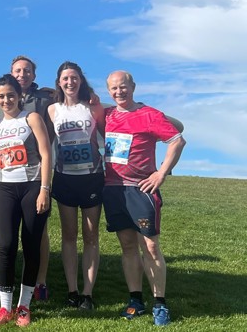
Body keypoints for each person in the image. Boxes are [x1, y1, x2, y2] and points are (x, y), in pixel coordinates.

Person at [103, 70, 185, 327]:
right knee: (128, 246)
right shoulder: (107, 115)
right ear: (108, 91)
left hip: (141, 189)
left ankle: (160, 303)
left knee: (150, 246)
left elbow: (177, 140)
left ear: (133, 87)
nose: (119, 92)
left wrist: (161, 173)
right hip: (113, 189)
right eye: (114, 88)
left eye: (123, 86)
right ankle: (135, 300)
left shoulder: (149, 114)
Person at [0, 74, 52, 328]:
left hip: (32, 187)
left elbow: (46, 153)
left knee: (31, 244)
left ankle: (24, 306)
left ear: (19, 95)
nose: (6, 100)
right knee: (6, 245)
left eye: (11, 95)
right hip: (4, 188)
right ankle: (5, 307)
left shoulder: (31, 118)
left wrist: (44, 189)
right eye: (1, 96)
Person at [47, 62, 105, 310]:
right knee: (69, 235)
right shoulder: (52, 109)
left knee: (91, 236)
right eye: (65, 78)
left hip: (91, 176)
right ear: (59, 82)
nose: (70, 82)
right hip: (65, 178)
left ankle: (87, 293)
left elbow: (109, 136)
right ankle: (72, 290)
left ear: (81, 80)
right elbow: (47, 143)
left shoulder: (92, 106)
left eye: (74, 78)